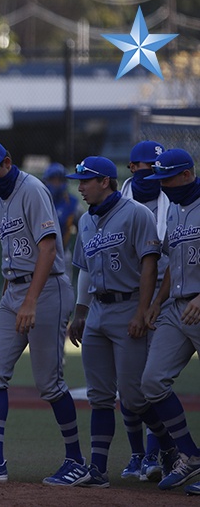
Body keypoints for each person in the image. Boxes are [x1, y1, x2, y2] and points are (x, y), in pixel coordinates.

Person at [0, 140, 88, 486]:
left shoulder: (32, 190)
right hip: (15, 289)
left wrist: (30, 301)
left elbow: (48, 248)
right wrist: (15, 294)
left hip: (47, 289)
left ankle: (76, 461)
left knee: (49, 383)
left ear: (7, 162)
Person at [64, 156, 177, 488]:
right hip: (97, 309)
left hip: (127, 306)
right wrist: (80, 312)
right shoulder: (86, 220)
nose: (80, 186)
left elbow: (149, 265)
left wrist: (143, 311)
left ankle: (168, 446)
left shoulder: (136, 214)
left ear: (105, 182)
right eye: (79, 180)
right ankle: (97, 469)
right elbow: (83, 269)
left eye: (86, 180)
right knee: (99, 395)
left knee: (134, 395)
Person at [142, 148, 200, 493]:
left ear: (187, 175)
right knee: (151, 382)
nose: (162, 185)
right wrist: (155, 302)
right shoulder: (176, 212)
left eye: (167, 178)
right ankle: (190, 455)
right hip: (176, 309)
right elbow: (172, 265)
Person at [118, 140, 170, 481]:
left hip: (165, 296)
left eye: (156, 169)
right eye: (144, 168)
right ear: (133, 168)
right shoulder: (119, 200)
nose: (150, 174)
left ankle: (155, 453)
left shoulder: (176, 199)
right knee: (128, 383)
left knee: (153, 379)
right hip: (126, 296)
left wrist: (154, 304)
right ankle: (138, 454)